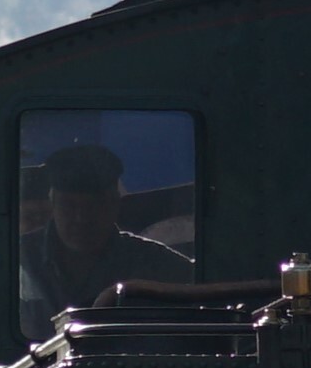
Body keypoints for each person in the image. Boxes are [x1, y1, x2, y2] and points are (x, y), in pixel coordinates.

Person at [17, 141, 196, 332]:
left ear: (115, 206)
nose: (81, 219)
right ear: (53, 205)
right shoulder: (18, 258)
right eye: (69, 206)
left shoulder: (158, 265)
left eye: (94, 206)